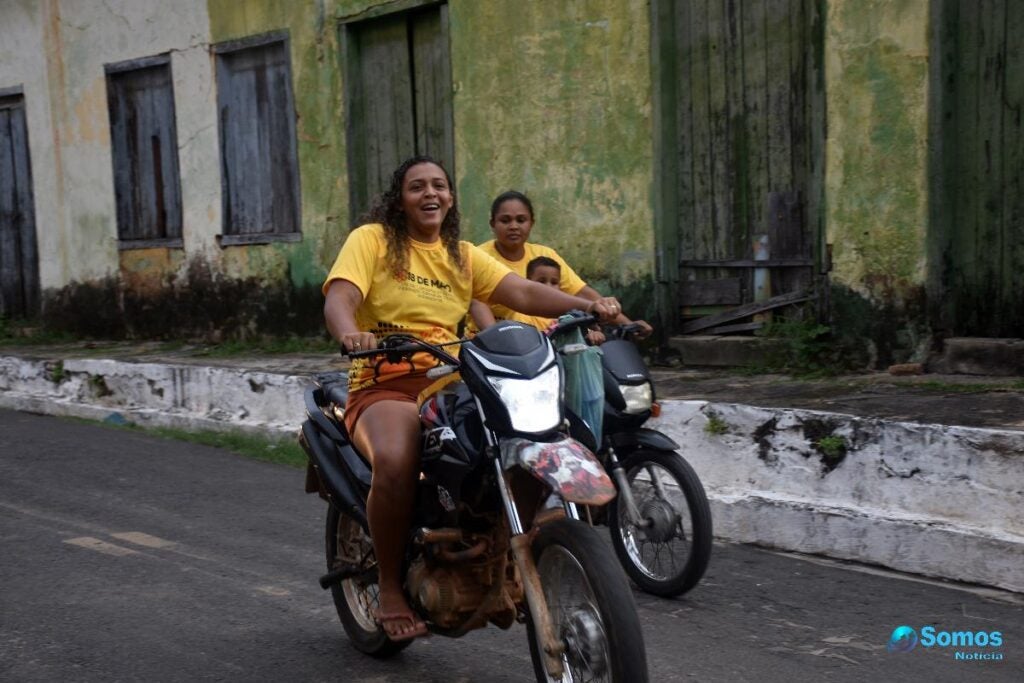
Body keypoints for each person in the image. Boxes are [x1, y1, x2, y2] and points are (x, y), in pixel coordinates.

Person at [322, 156, 616, 643]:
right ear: (401, 199)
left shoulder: (460, 254)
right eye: (417, 187)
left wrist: (588, 306)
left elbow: (521, 292)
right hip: (386, 380)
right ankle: (392, 588)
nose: (429, 193)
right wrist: (353, 333)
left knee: (524, 440)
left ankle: (496, 547)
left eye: (439, 185)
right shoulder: (371, 240)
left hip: (455, 378)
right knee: (396, 460)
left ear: (452, 198)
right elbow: (341, 296)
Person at [477, 190, 653, 338]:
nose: (514, 226)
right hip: (496, 345)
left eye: (521, 220)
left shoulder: (545, 255)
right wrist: (497, 341)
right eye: (505, 220)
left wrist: (628, 325)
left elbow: (582, 293)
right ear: (493, 223)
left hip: (547, 344)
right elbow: (478, 304)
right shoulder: (480, 257)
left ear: (532, 223)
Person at [514, 256, 605, 345]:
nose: (548, 287)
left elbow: (587, 333)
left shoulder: (569, 313)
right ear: (529, 283)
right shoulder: (522, 316)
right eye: (541, 281)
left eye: (554, 282)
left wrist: (595, 335)